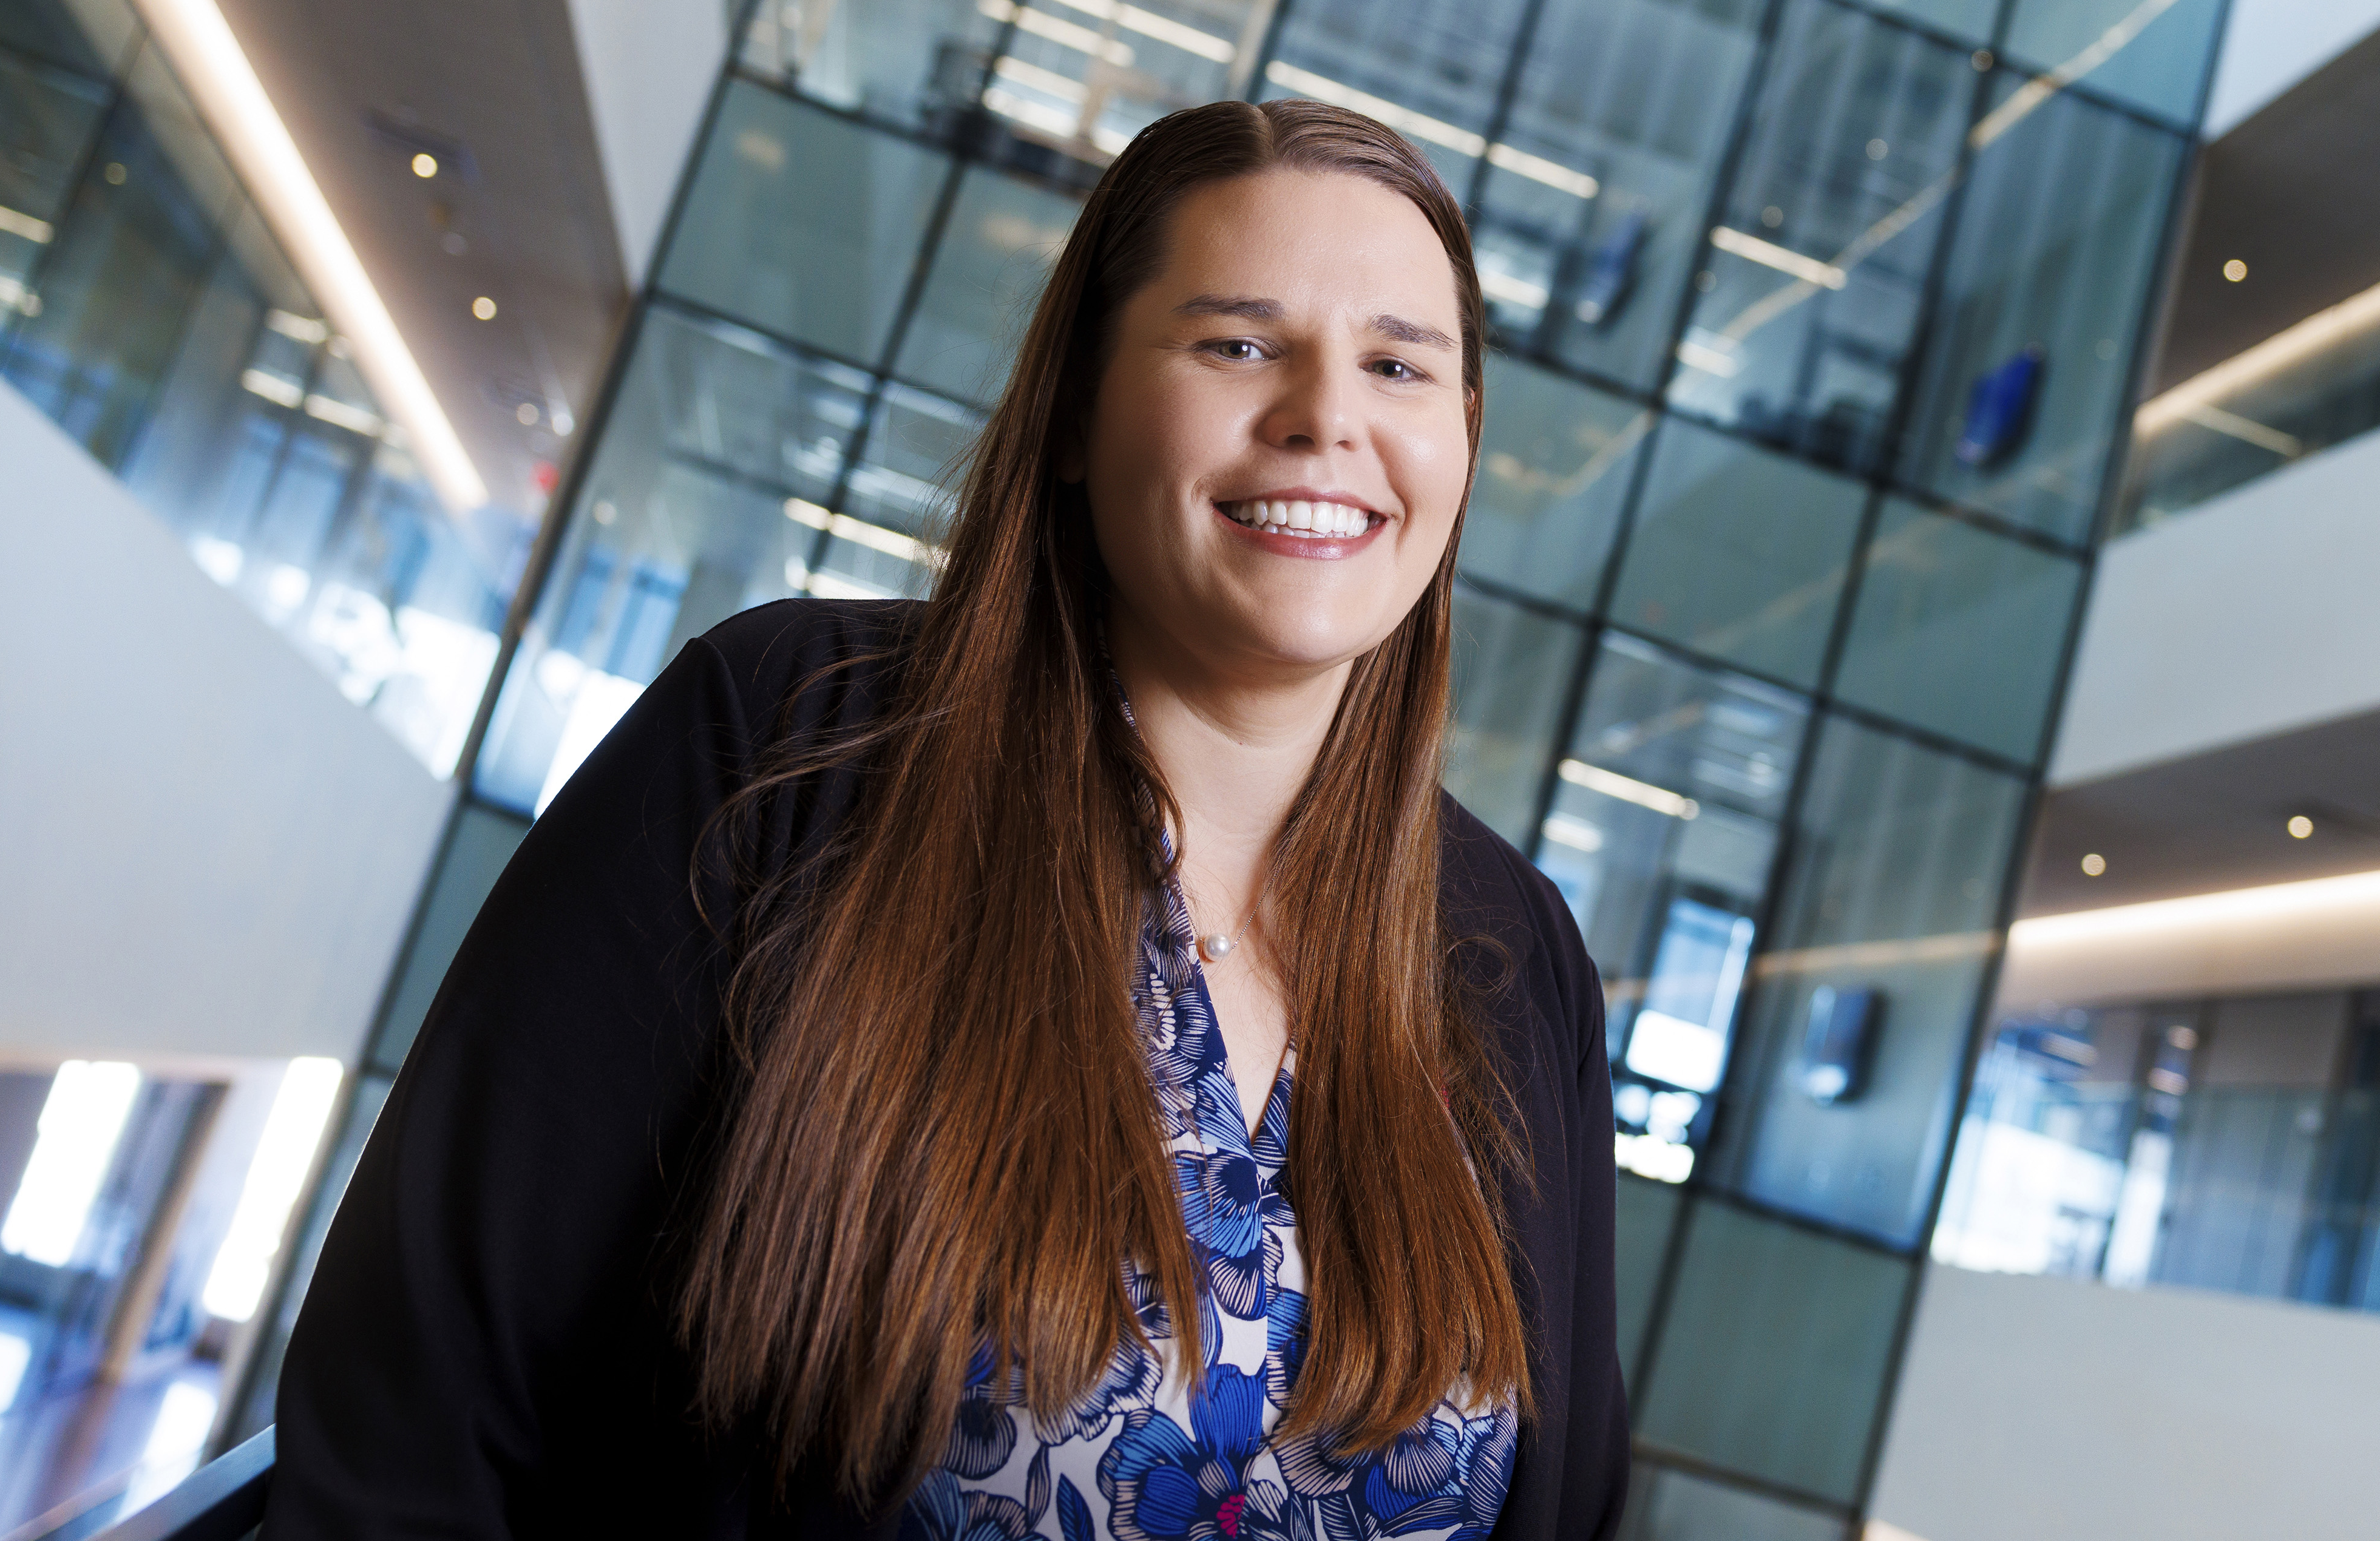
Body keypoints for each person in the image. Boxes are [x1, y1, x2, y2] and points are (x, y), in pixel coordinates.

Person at [270, 101, 1629, 1540]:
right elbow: (415, 1407)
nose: (1325, 419)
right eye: (1237, 344)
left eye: (1398, 365)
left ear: (1461, 445)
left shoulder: (1513, 947)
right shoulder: (787, 743)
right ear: (1071, 412)